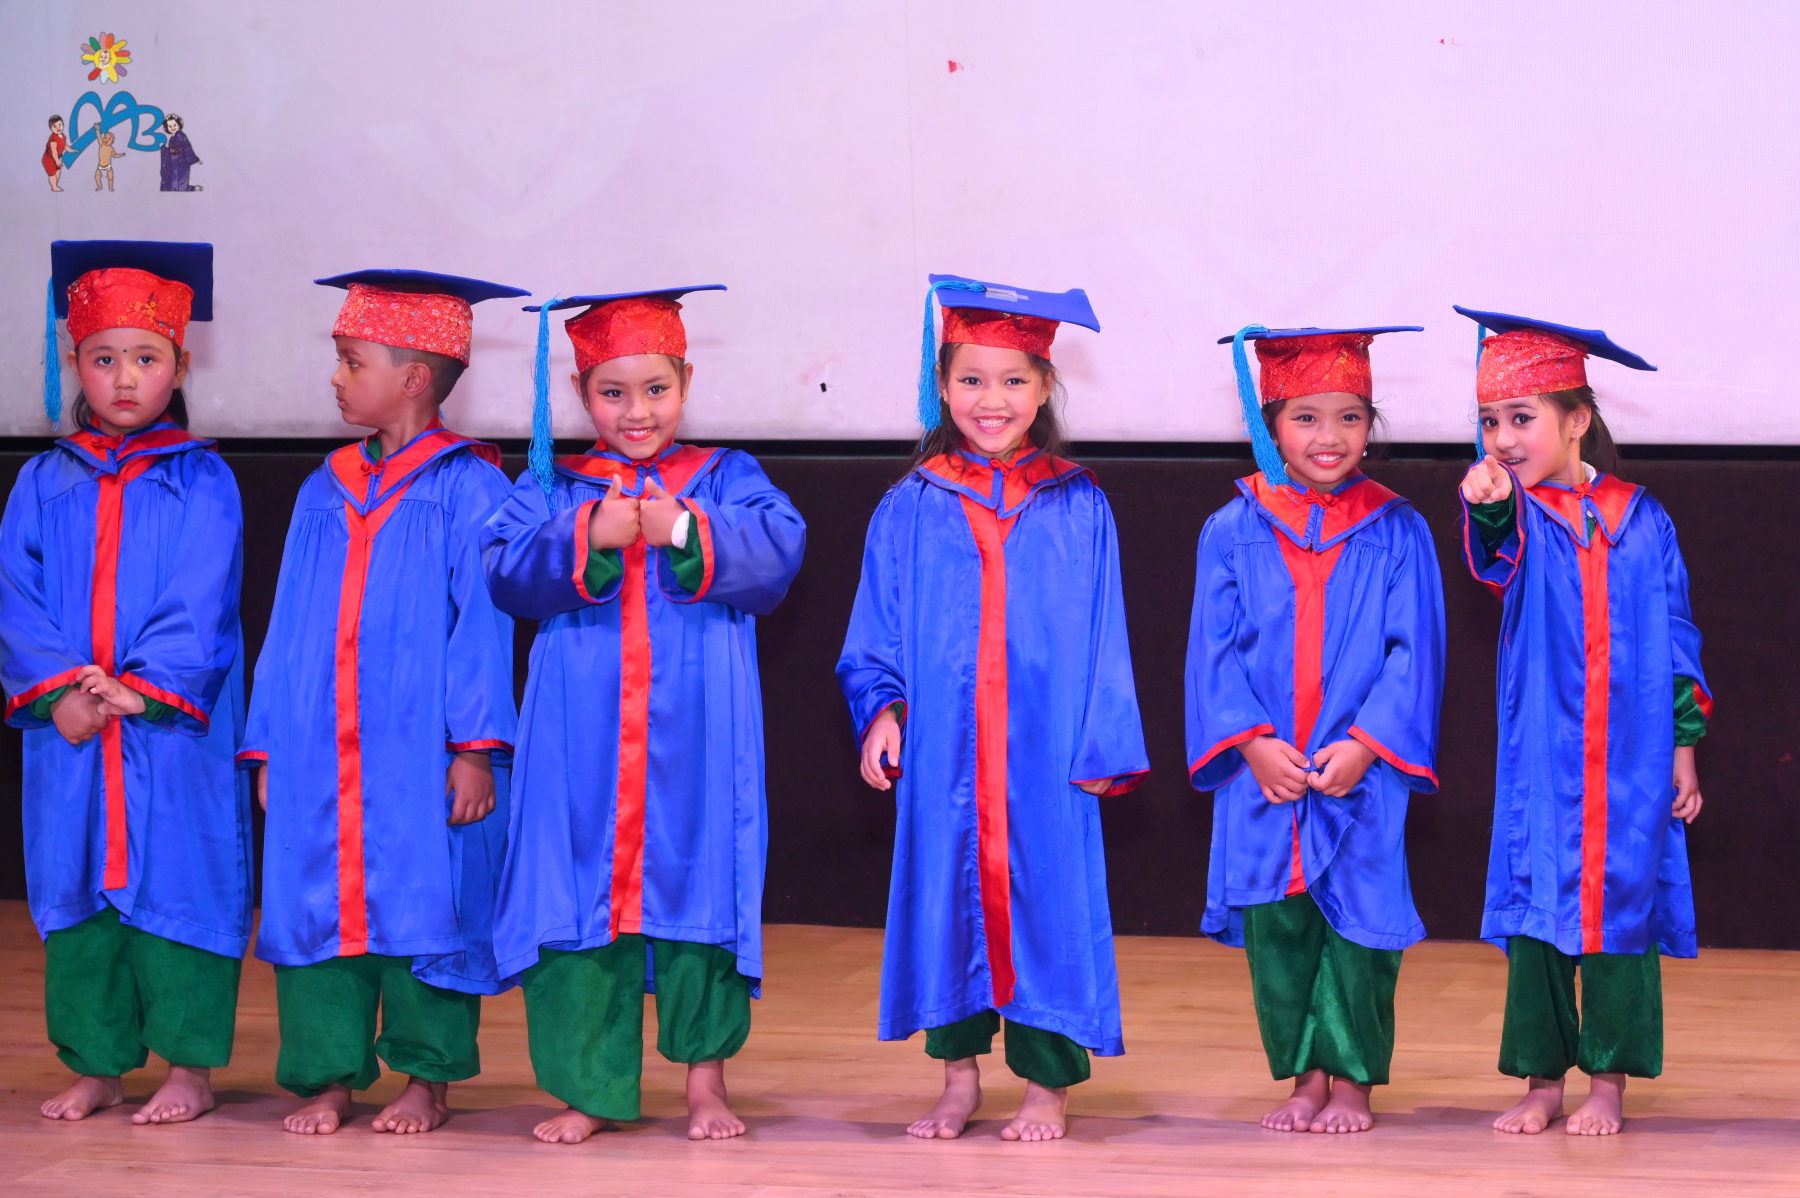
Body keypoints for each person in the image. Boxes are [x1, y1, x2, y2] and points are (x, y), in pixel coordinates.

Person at [482, 285, 805, 1146]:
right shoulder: (553, 485)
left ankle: (706, 1082)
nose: (637, 411)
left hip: (698, 731)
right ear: (580, 393)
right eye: (612, 392)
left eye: (657, 389)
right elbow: (504, 572)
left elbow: (780, 549)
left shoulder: (726, 475)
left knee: (701, 885)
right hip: (580, 732)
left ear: (686, 382)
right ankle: (589, 1089)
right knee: (578, 892)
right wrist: (588, 532)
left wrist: (683, 528)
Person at [837, 275, 1149, 1143]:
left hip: (1048, 753)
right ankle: (959, 1079)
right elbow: (877, 626)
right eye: (971, 379)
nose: (992, 399)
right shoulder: (911, 504)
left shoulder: (1079, 503)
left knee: (1049, 907)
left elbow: (1107, 635)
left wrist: (1104, 744)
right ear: (942, 386)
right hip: (945, 749)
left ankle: (1047, 1088)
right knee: (948, 900)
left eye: (1014, 380)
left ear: (1045, 388)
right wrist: (883, 710)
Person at [242, 269, 524, 1136]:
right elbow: (287, 620)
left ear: (413, 378)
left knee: (426, 904)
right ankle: (327, 1076)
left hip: (417, 745)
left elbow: (484, 628)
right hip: (318, 740)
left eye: (350, 360)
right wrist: (268, 744)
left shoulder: (471, 487)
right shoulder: (322, 487)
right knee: (313, 900)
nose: (334, 377)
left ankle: (426, 1078)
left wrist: (474, 747)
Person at [1, 240, 249, 1125]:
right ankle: (98, 1063)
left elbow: (203, 594)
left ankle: (190, 1068)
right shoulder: (41, 480)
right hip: (70, 727)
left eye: (145, 358)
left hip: (166, 725)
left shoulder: (204, 478)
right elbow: (16, 595)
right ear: (75, 364)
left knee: (182, 880)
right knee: (74, 888)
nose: (124, 378)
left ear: (179, 365)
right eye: (103, 359)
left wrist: (142, 689)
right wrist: (60, 691)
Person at [1454, 306, 1709, 1137]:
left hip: (1631, 755)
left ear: (1577, 420)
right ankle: (1541, 1080)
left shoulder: (1642, 518)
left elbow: (1677, 635)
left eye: (1521, 418)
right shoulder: (1522, 517)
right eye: (1489, 422)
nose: (1503, 439)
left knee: (1619, 912)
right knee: (1537, 914)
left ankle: (1608, 1081)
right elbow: (1495, 555)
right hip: (1544, 753)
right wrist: (1490, 505)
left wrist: (1684, 750)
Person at [1186, 325, 1443, 1134]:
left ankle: (1355, 1080)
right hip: (1262, 770)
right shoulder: (1232, 529)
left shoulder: (1396, 528)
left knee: (1362, 928)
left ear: (1371, 425)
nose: (1329, 437)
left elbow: (1414, 652)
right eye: (1305, 417)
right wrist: (1251, 742)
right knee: (1281, 929)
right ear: (1269, 425)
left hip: (1361, 769)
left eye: (1349, 417)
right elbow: (1213, 653)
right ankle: (1305, 1077)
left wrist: (1367, 745)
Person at [158, 116, 201, 192]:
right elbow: (170, 151)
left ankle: (192, 189)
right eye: (170, 126)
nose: (173, 128)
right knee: (174, 180)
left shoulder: (181, 136)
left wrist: (194, 159)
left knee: (181, 181)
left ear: (178, 125)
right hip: (174, 163)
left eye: (174, 125)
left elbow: (187, 147)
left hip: (182, 162)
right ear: (167, 128)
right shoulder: (172, 139)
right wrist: (163, 148)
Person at [43, 116, 67, 192]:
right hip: (49, 159)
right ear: (51, 128)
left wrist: (70, 150)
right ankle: (54, 187)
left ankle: (55, 185)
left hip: (57, 158)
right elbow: (54, 151)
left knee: (58, 171)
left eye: (60, 124)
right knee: (52, 174)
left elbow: (64, 145)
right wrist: (57, 160)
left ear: (62, 124)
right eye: (55, 126)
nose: (58, 127)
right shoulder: (53, 138)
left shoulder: (63, 136)